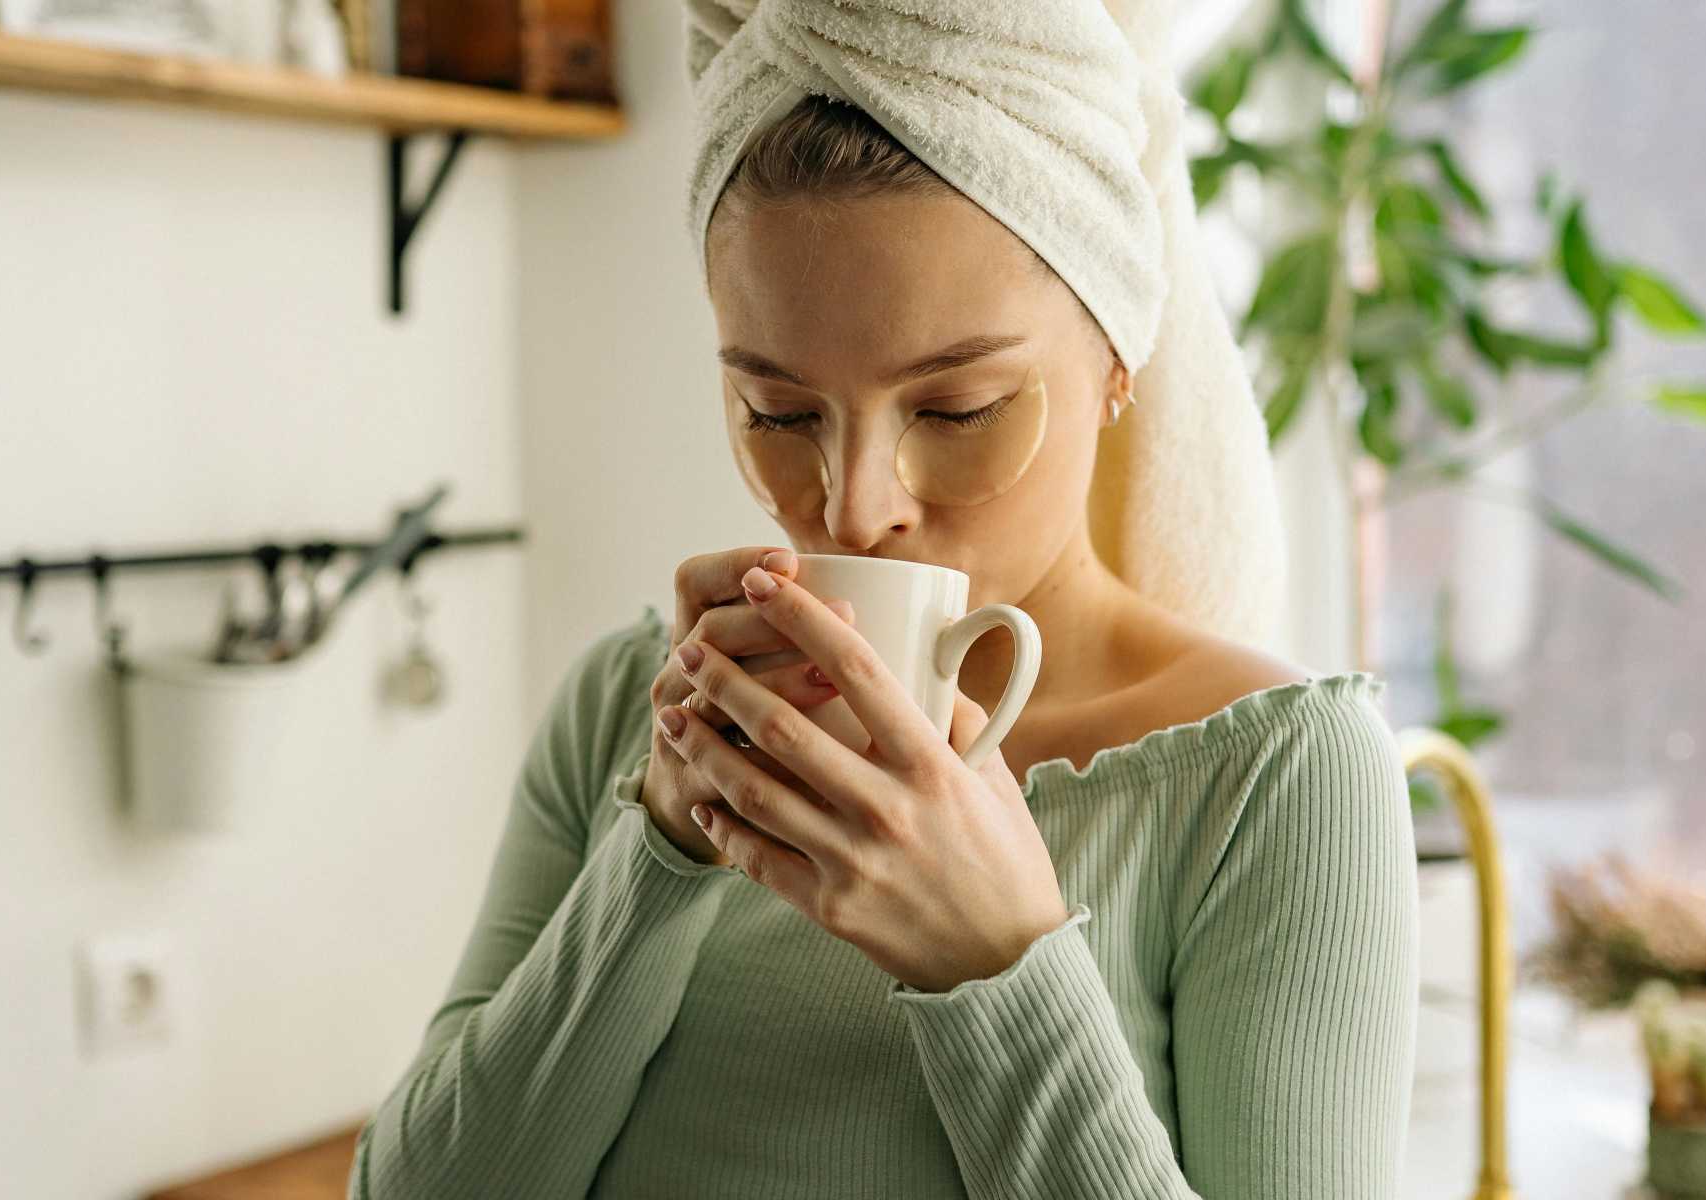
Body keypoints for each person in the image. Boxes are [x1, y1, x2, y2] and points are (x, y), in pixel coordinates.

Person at [348, 9, 1419, 1200]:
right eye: (777, 413)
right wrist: (658, 848)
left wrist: (995, 964)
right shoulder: (629, 708)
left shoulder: (1274, 776)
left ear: (1117, 359)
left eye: (955, 410)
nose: (851, 510)